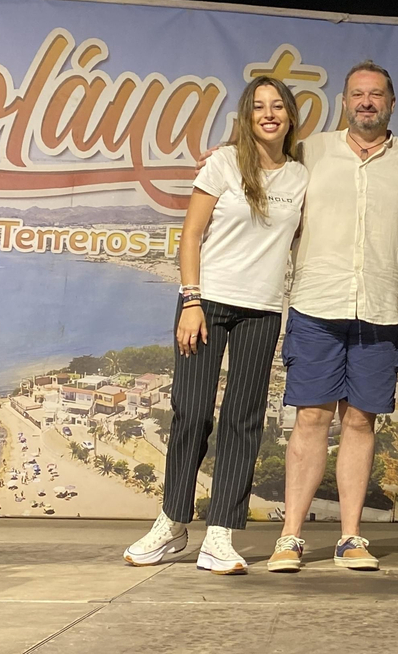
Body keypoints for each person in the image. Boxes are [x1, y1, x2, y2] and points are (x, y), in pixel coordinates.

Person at [122, 75, 308, 574]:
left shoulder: (300, 177)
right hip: (206, 305)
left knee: (243, 422)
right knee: (191, 414)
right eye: (259, 107)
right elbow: (191, 236)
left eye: (278, 107)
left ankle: (221, 534)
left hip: (263, 311)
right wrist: (191, 300)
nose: (269, 114)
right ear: (247, 117)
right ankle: (173, 522)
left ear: (290, 116)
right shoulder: (224, 163)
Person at [265, 61, 398, 574]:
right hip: (316, 305)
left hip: (382, 309)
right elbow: (258, 177)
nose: (366, 102)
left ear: (392, 103)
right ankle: (290, 537)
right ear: (344, 102)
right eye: (357, 94)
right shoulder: (309, 152)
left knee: (360, 421)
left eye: (376, 94)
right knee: (311, 418)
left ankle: (350, 537)